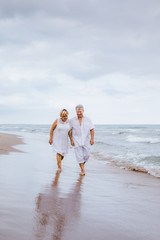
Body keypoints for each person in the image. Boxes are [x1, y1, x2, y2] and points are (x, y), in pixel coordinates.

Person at [69, 104, 94, 176]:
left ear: (83, 111)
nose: (79, 113)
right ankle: (82, 170)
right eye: (77, 111)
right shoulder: (72, 120)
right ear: (75, 111)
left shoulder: (88, 119)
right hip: (76, 141)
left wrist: (92, 139)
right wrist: (71, 140)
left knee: (87, 155)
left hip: (86, 140)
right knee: (79, 156)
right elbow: (69, 130)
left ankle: (82, 164)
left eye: (80, 111)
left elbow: (92, 129)